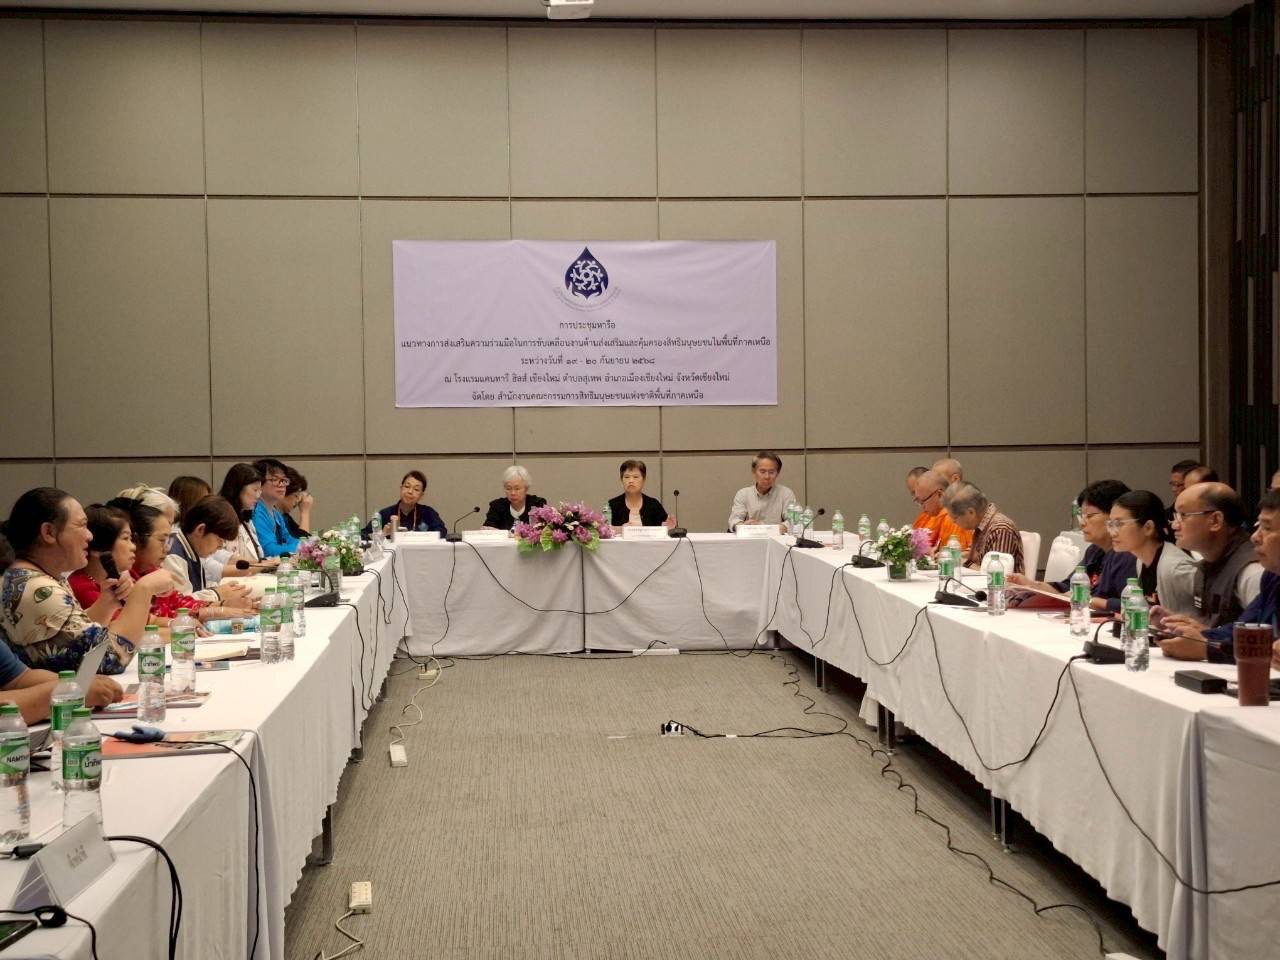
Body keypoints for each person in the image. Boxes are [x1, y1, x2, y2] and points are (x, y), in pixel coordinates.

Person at [0, 488, 172, 674]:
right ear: (49, 532)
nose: (89, 536)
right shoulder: (37, 590)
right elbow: (110, 659)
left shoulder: (33, 578)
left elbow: (76, 637)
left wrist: (106, 605)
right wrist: (144, 589)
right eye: (81, 526)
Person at [1161, 488, 1280, 663]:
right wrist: (1200, 634)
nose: (1255, 537)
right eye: (1258, 526)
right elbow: (1244, 629)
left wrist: (1207, 648)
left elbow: (1261, 645)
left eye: (1267, 528)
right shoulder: (1272, 577)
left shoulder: (1253, 570)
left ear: (1216, 520)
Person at [119, 498, 252, 623]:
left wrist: (223, 606)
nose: (167, 548)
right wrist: (218, 604)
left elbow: (178, 604)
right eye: (162, 540)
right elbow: (151, 620)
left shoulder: (151, 569)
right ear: (137, 539)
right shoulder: (122, 580)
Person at [1009, 480, 1136, 612]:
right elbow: (1067, 587)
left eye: (1090, 516)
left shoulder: (1126, 555)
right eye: (1082, 516)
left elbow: (1131, 604)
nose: (1082, 523)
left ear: (1115, 516)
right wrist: (1031, 584)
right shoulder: (1095, 550)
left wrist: (1091, 601)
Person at [1161, 482, 1264, 632]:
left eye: (1183, 515)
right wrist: (1177, 624)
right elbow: (1209, 627)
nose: (1174, 525)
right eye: (1175, 516)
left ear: (1215, 521)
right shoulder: (1205, 565)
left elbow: (1265, 638)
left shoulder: (1252, 572)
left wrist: (1206, 639)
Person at [1107, 490, 1197, 616]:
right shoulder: (1141, 561)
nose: (1112, 532)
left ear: (1148, 527)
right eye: (1110, 524)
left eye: (1119, 524)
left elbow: (1205, 619)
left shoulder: (1177, 568)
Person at [164, 496, 245, 599]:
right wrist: (217, 594)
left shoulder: (193, 549)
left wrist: (227, 591)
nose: (221, 546)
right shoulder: (173, 556)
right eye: (219, 539)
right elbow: (180, 604)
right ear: (200, 530)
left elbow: (199, 589)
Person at [940, 481, 1025, 574]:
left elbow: (996, 575)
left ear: (971, 512)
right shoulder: (981, 526)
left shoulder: (1000, 529)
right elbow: (979, 557)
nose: (953, 522)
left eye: (955, 518)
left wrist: (965, 563)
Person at [68, 504, 137, 611]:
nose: (133, 547)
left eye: (131, 539)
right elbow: (128, 621)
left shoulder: (122, 577)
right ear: (98, 548)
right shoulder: (83, 589)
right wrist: (146, 588)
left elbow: (150, 619)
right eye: (125, 538)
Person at [214, 463, 277, 577]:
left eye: (260, 490)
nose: (258, 496)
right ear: (237, 489)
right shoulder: (219, 518)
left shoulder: (246, 520)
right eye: (255, 490)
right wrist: (266, 564)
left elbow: (255, 556)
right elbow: (219, 556)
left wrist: (267, 562)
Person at [728, 452, 796, 533]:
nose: (767, 477)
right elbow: (734, 520)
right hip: (749, 538)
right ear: (754, 472)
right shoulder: (743, 494)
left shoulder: (786, 494)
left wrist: (766, 529)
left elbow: (793, 522)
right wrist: (742, 526)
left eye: (771, 472)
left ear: (777, 473)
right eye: (762, 472)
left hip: (776, 538)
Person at [909, 470, 972, 553]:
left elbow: (955, 556)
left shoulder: (954, 518)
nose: (922, 507)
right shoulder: (937, 515)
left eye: (923, 501)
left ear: (940, 494)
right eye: (918, 502)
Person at [253, 458, 300, 556]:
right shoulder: (256, 512)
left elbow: (289, 539)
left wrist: (308, 545)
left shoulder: (275, 513)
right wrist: (303, 548)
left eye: (284, 480)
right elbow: (269, 550)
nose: (282, 484)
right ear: (259, 483)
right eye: (275, 480)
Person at [375, 471, 447, 535]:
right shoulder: (384, 514)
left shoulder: (428, 513)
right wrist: (382, 534)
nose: (410, 491)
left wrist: (421, 536)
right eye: (407, 486)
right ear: (401, 488)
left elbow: (442, 532)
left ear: (421, 495)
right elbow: (368, 535)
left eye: (416, 489)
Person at [608, 460, 669, 528]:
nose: (631, 481)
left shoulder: (654, 505)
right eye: (627, 477)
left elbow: (665, 528)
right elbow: (603, 530)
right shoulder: (612, 505)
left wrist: (669, 526)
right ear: (621, 480)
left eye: (635, 477)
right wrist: (621, 529)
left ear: (644, 479)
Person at [483, 466, 547, 531]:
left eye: (517, 488)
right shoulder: (497, 506)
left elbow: (544, 530)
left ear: (526, 488)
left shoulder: (537, 504)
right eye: (508, 488)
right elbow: (488, 528)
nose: (513, 493)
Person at [282, 466, 313, 540]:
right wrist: (305, 512)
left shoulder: (285, 516)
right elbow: (303, 541)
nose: (298, 501)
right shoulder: (272, 517)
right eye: (296, 495)